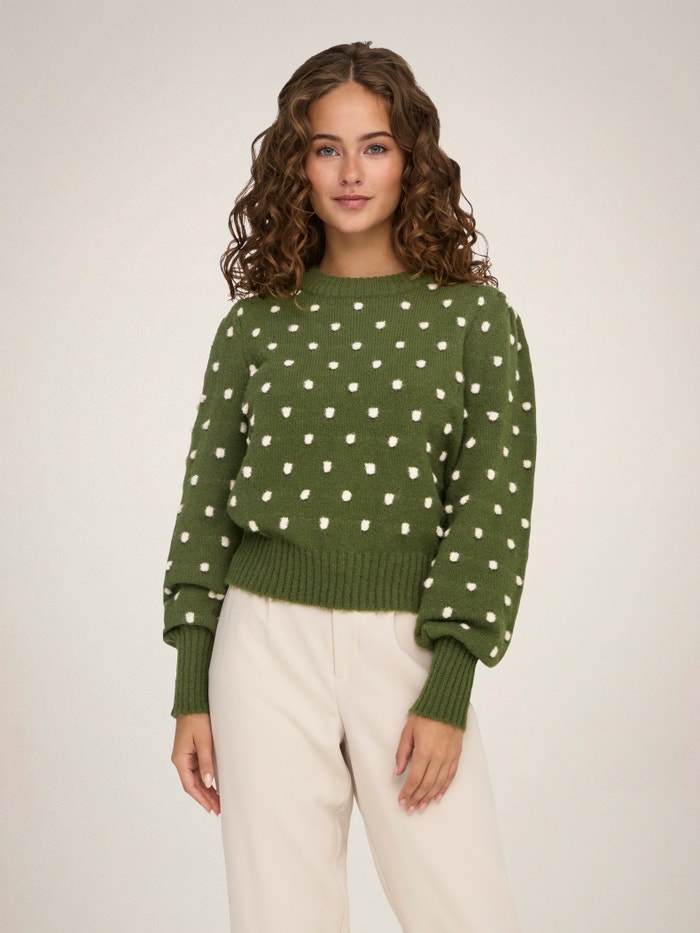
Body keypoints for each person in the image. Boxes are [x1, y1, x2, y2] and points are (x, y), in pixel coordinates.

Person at [164, 41, 536, 933]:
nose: (351, 172)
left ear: (412, 159)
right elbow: (205, 500)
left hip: (410, 646)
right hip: (262, 645)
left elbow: (492, 507)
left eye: (374, 146)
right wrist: (191, 684)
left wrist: (449, 685)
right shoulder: (256, 324)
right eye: (326, 148)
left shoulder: (474, 319)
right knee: (280, 915)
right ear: (296, 165)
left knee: (465, 909)